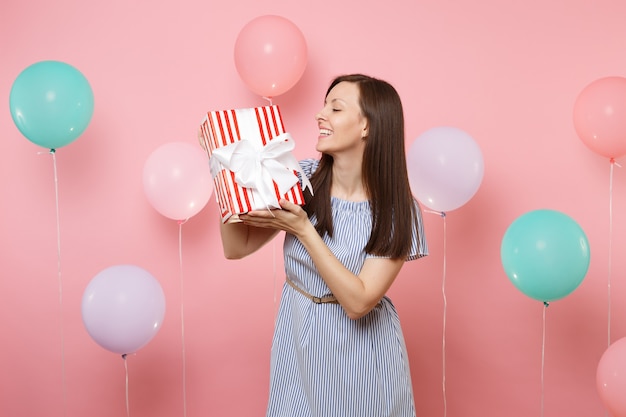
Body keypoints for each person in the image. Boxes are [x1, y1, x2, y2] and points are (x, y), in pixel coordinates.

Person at [219, 74, 428, 417]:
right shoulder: (299, 178)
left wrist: (304, 230)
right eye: (323, 105)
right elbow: (237, 246)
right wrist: (223, 172)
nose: (320, 114)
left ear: (367, 127)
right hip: (298, 339)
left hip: (363, 353)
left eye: (336, 107)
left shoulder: (396, 210)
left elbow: (359, 302)